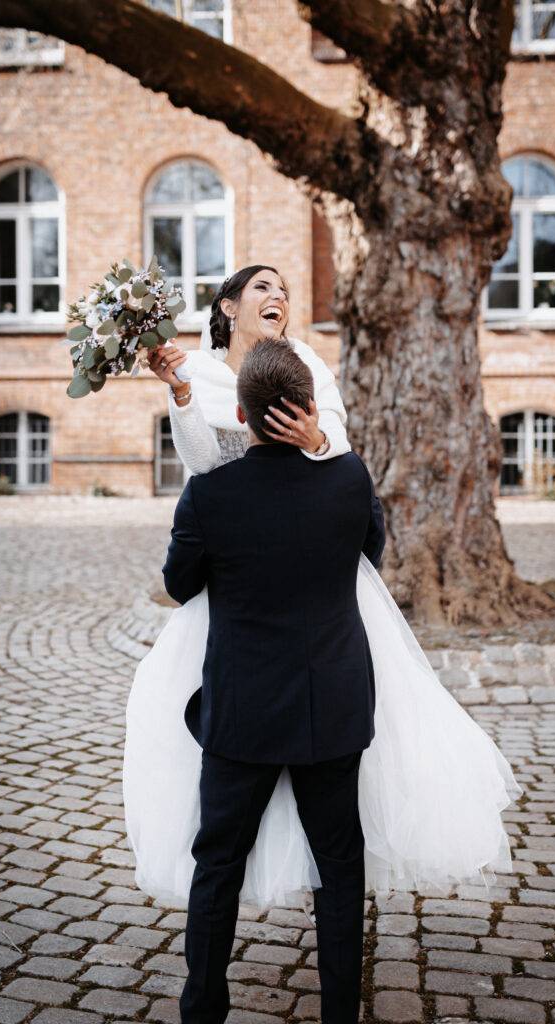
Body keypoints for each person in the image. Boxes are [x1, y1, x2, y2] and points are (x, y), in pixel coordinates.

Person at [123, 264, 521, 915]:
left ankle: (317, 860)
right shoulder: (192, 367)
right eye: (262, 288)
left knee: (316, 741)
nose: (278, 296)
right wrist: (183, 395)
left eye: (283, 289)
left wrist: (315, 440)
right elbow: (200, 461)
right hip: (241, 556)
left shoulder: (307, 361)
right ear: (227, 306)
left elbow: (338, 443)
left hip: (306, 554)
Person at [165, 339, 384, 1022]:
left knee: (218, 864)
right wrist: (327, 447)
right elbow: (370, 552)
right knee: (340, 865)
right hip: (333, 702)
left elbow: (178, 585)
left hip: (242, 708)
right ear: (308, 409)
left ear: (238, 413)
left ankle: (203, 1008)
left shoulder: (209, 495)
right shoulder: (349, 479)